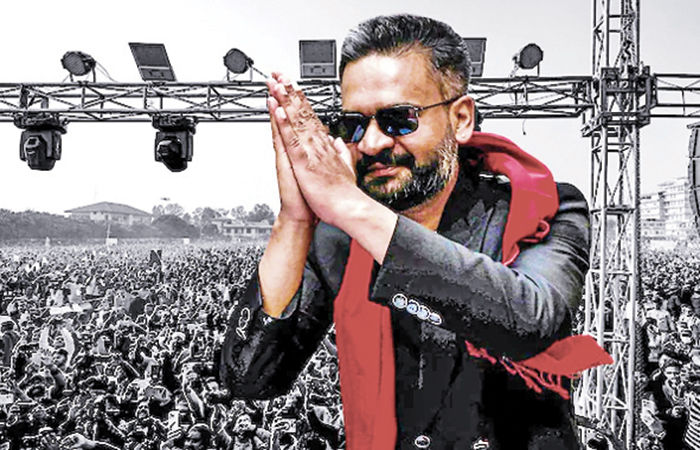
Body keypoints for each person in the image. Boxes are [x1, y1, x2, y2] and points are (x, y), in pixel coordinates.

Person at [219, 13, 611, 449]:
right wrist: (294, 219)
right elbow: (250, 376)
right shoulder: (339, 236)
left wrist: (352, 206)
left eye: (399, 119)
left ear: (460, 119)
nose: (371, 143)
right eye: (354, 124)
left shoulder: (544, 208)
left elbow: (533, 320)